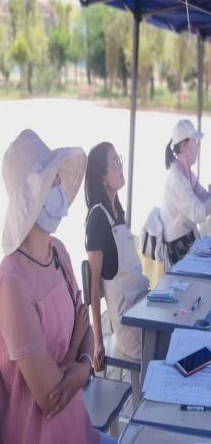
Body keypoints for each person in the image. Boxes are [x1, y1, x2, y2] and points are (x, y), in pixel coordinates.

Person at [0, 130, 112, 443]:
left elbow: (86, 326)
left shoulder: (59, 252)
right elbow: (50, 397)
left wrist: (82, 365)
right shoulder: (12, 283)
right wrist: (80, 360)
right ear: (30, 195)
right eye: (52, 180)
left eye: (59, 178)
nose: (60, 186)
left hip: (81, 430)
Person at [85, 142, 150, 370]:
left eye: (119, 159)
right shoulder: (97, 219)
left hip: (142, 305)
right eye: (114, 162)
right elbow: (94, 288)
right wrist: (98, 342)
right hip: (129, 323)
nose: (120, 166)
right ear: (102, 177)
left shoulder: (117, 213)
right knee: (173, 341)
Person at [161, 119, 211, 264]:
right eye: (195, 141)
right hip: (177, 247)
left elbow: (205, 197)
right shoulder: (177, 178)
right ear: (184, 146)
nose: (198, 146)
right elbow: (199, 214)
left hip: (188, 239)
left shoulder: (186, 173)